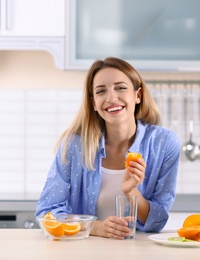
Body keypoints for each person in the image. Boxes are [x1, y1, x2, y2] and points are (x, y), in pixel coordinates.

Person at [35, 57, 180, 239]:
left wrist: (131, 192)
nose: (111, 98)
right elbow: (47, 212)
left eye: (121, 88)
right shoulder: (73, 145)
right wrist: (95, 227)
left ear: (138, 95)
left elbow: (157, 222)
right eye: (101, 91)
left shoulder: (164, 143)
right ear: (94, 103)